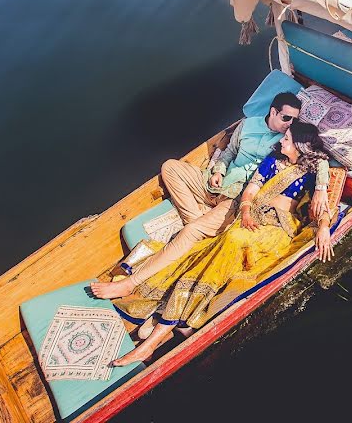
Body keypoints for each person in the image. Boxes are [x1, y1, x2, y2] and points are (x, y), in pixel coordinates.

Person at [104, 121, 336, 366]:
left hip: (277, 230)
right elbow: (250, 190)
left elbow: (321, 210)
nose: (281, 141)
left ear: (300, 146)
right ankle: (162, 330)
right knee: (220, 245)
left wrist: (323, 227)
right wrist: (245, 210)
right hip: (248, 218)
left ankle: (153, 338)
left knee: (229, 240)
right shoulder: (273, 159)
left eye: (287, 139)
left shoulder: (312, 171)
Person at [91, 92, 330, 300]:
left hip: (235, 197)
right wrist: (218, 170)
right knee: (170, 167)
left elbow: (318, 158)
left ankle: (130, 283)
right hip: (216, 183)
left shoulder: (287, 142)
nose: (290, 124)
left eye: (295, 120)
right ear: (273, 112)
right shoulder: (247, 125)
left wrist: (320, 189)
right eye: (286, 118)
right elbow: (227, 152)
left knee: (190, 232)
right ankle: (196, 219)